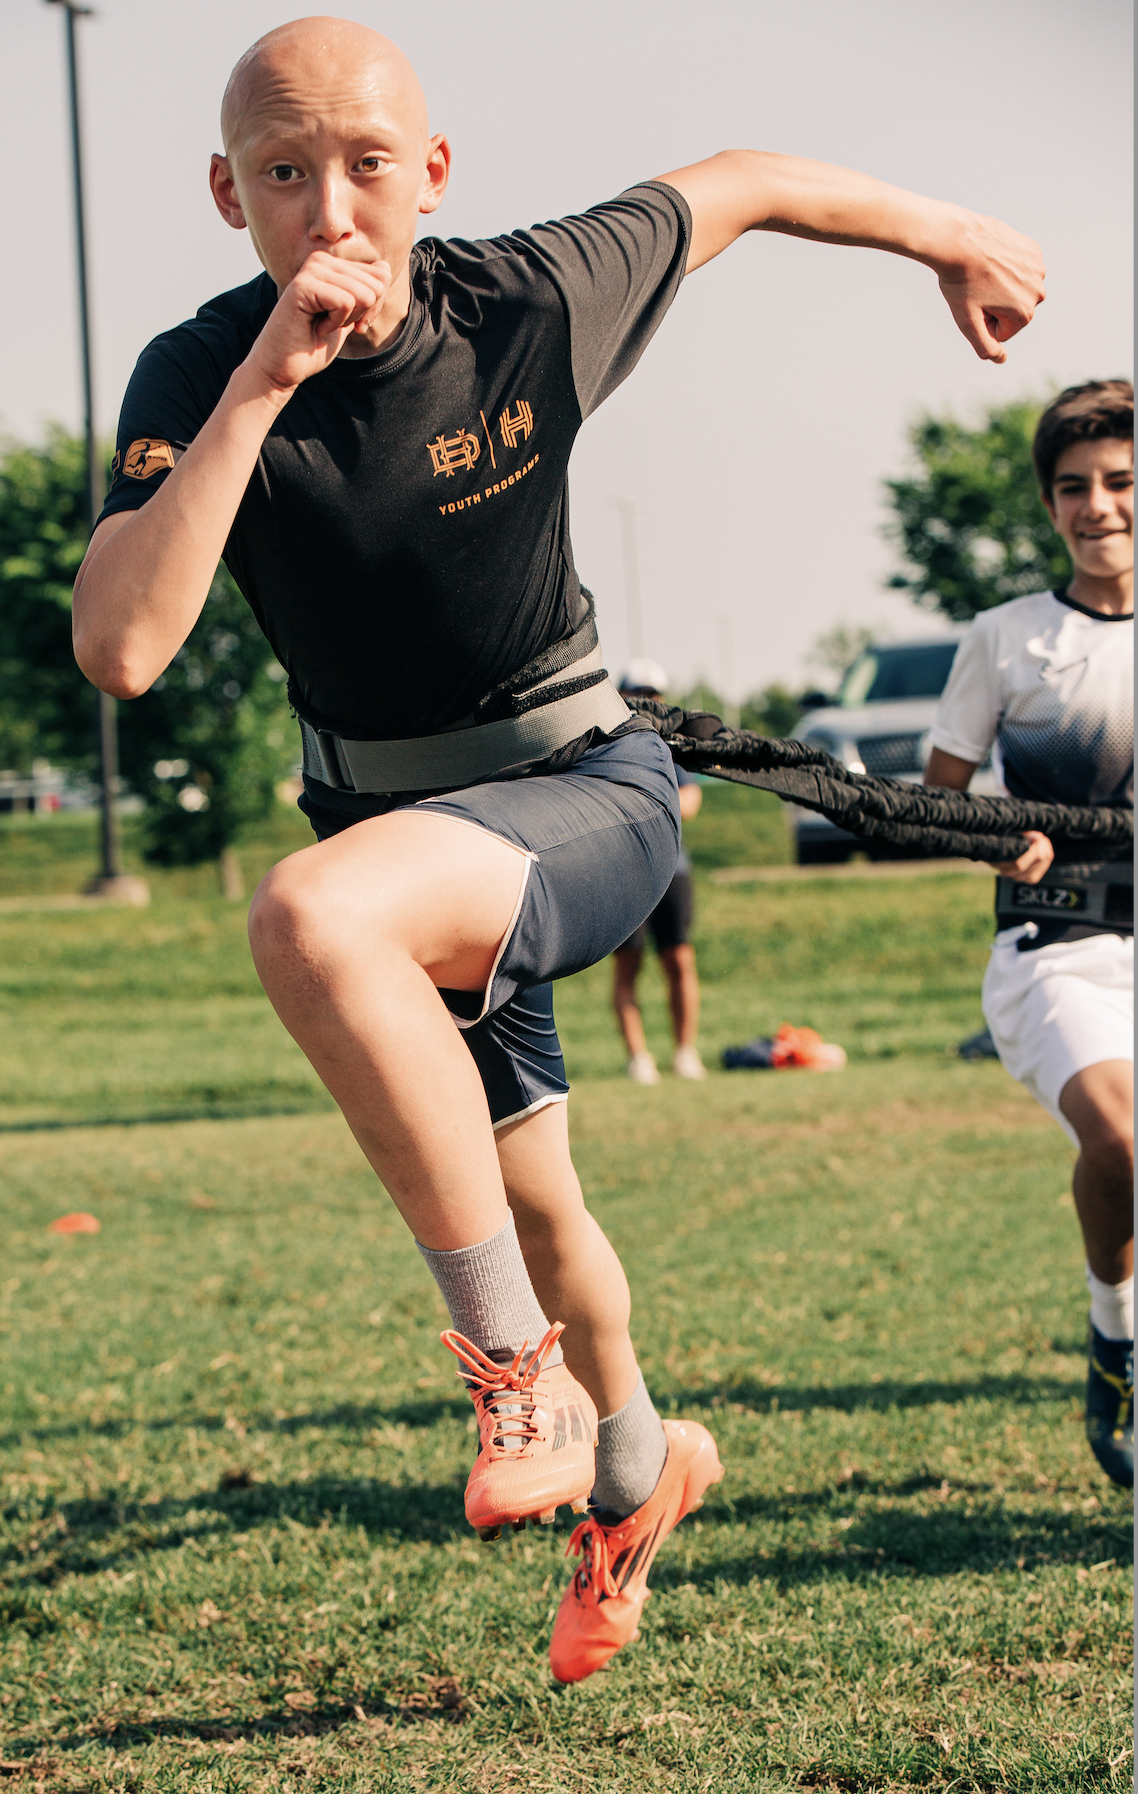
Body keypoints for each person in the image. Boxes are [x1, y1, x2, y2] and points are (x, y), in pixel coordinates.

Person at [70, 15, 1045, 1680]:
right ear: (226, 192)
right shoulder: (198, 370)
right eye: (285, 176)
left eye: (367, 167)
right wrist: (261, 388)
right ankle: (633, 1462)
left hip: (582, 787)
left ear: (431, 173)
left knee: (309, 920)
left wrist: (946, 231)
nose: (331, 211)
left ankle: (510, 1372)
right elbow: (122, 647)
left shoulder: (523, 296)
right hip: (390, 829)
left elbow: (735, 184)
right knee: (532, 1193)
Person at [925, 380, 1133, 1487]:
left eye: (1119, 482)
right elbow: (942, 793)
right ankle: (1116, 1340)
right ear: (1050, 506)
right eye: (1073, 488)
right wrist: (992, 839)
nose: (1097, 506)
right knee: (1122, 1141)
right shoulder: (1006, 639)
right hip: (1057, 954)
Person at [612, 662, 707, 1083]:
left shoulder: (668, 748)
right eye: (638, 692)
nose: (647, 701)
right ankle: (639, 1058)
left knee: (680, 959)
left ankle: (685, 1052)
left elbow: (691, 799)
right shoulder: (608, 742)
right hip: (624, 869)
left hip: (672, 866)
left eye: (654, 693)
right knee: (628, 964)